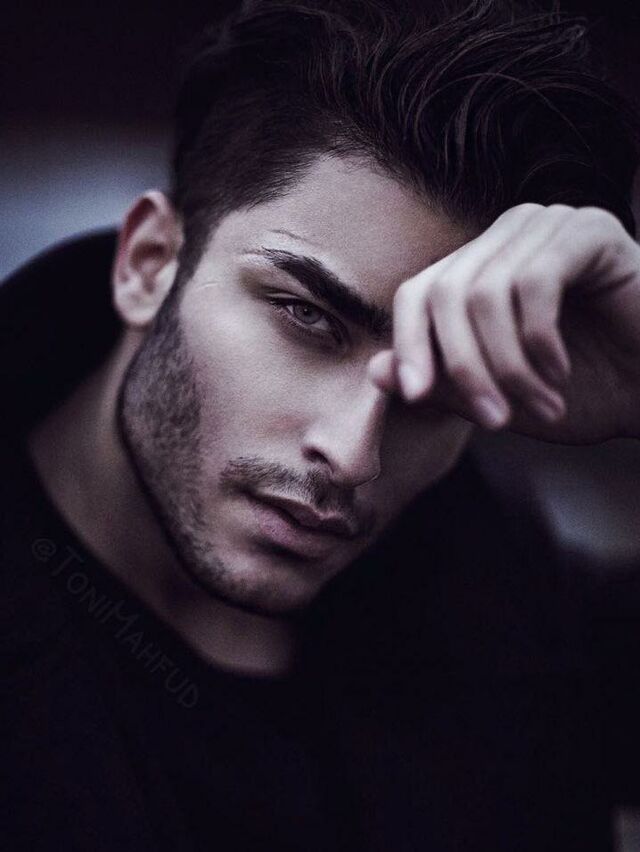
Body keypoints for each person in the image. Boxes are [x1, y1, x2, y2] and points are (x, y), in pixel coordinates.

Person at [2, 0, 640, 848]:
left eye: (436, 381)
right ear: (149, 263)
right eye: (307, 318)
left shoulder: (499, 590)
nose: (351, 455)